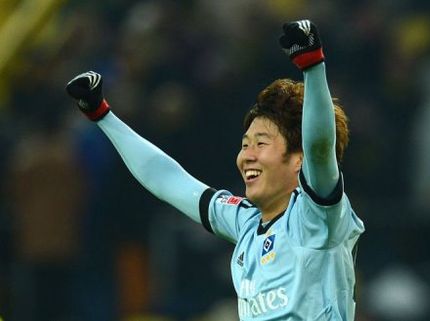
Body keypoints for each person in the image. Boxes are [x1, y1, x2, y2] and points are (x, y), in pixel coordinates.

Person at [66, 19, 365, 321]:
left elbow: (320, 149)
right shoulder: (245, 221)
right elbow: (169, 180)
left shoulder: (318, 217)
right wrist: (103, 117)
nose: (246, 156)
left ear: (298, 159)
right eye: (244, 144)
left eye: (260, 143)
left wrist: (313, 67)